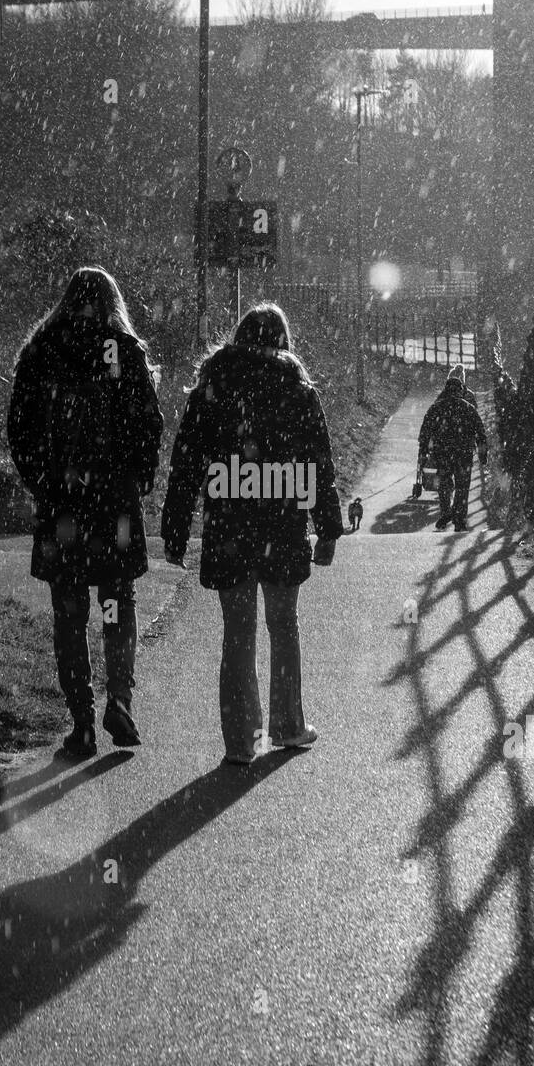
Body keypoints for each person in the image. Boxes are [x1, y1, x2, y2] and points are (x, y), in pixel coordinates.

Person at [161, 303, 344, 765]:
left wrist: (176, 528)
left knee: (237, 632)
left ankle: (243, 741)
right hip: (282, 519)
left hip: (229, 522)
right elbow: (319, 464)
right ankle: (287, 725)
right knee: (283, 625)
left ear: (238, 335)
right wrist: (327, 529)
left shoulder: (214, 383)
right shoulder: (297, 388)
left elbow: (186, 462)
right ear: (282, 340)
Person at [8, 265, 163, 758]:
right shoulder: (124, 350)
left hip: (63, 506)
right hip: (114, 505)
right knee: (117, 601)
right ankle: (118, 697)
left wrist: (45, 482)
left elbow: (21, 428)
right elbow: (149, 423)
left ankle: (81, 720)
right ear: (112, 301)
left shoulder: (42, 350)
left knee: (69, 612)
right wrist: (137, 480)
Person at [418, 367, 487, 531]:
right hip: (464, 452)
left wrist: (424, 451)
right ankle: (459, 518)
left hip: (442, 452)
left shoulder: (437, 407)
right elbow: (480, 432)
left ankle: (446, 512)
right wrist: (483, 454)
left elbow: (425, 430)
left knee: (444, 483)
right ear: (460, 390)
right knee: (463, 486)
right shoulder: (468, 408)